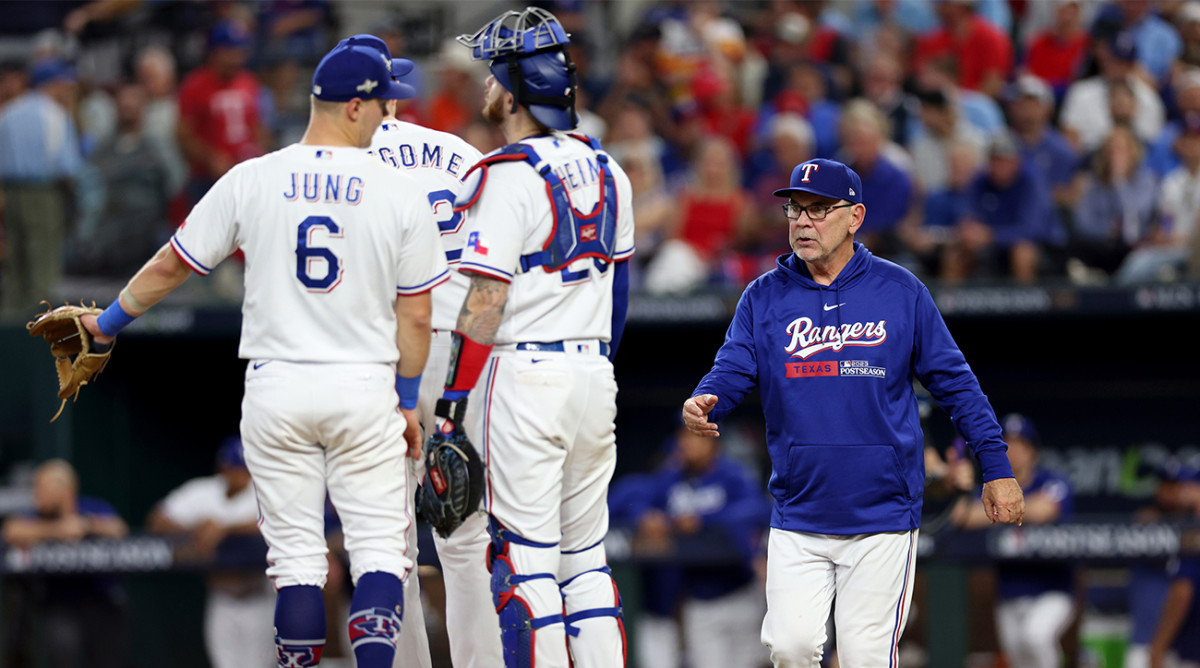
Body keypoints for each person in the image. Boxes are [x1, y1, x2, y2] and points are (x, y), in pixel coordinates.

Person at [77, 41, 447, 668]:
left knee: (298, 562)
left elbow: (175, 263)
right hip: (364, 384)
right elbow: (416, 314)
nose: (391, 113)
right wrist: (407, 402)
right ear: (354, 106)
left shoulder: (254, 174)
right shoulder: (399, 190)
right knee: (382, 554)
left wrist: (108, 322)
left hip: (276, 386)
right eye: (385, 102)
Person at [681, 157, 1025, 668]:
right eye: (795, 209)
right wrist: (708, 396)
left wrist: (996, 468)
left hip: (882, 514)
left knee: (866, 659)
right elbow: (733, 366)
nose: (802, 221)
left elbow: (957, 385)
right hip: (800, 510)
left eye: (819, 209)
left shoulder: (900, 291)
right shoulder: (763, 296)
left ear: (855, 216)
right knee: (791, 649)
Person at [439, 7, 635, 666]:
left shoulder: (503, 173)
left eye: (492, 77)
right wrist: (597, 363)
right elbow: (621, 297)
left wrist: (449, 406)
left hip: (525, 376)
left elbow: (484, 302)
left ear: (515, 93)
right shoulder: (613, 171)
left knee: (523, 566)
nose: (485, 88)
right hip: (592, 376)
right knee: (584, 561)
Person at [349, 32, 502, 668]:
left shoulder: (332, 161)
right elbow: (498, 266)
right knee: (468, 534)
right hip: (466, 345)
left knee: (388, 541)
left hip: (383, 350)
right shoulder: (456, 151)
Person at [632, 426, 772, 668]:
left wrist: (703, 519)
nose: (688, 444)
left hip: (740, 589)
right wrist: (644, 515)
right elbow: (634, 498)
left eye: (696, 438)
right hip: (697, 597)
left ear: (714, 444)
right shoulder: (670, 478)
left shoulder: (732, 475)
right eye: (683, 438)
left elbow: (758, 509)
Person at [950, 414, 1076, 668]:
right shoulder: (990, 487)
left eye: (1021, 445)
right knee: (1018, 659)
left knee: (1036, 637)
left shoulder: (1053, 481)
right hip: (1009, 591)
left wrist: (994, 511)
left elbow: (1045, 509)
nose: (1015, 452)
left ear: (1033, 451)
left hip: (1054, 590)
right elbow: (961, 516)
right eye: (1008, 446)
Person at [146, 436, 274, 668]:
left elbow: (275, 523)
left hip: (260, 597)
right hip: (222, 598)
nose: (235, 474)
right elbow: (157, 520)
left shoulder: (263, 492)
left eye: (241, 469)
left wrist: (224, 528)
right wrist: (196, 529)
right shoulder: (204, 491)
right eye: (231, 468)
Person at [1, 459, 130, 668]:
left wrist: (87, 525)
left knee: (109, 659)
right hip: (59, 602)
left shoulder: (91, 507)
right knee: (64, 655)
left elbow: (119, 530)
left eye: (42, 488)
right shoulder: (39, 516)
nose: (37, 494)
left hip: (101, 598)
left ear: (64, 490)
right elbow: (11, 530)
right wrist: (56, 529)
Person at [0, 58, 83, 318]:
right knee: (43, 262)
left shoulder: (8, 112)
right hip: (44, 193)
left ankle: (10, 322)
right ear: (50, 84)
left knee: (16, 263)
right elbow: (67, 168)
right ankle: (41, 324)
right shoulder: (55, 115)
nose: (67, 87)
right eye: (62, 82)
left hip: (10, 193)